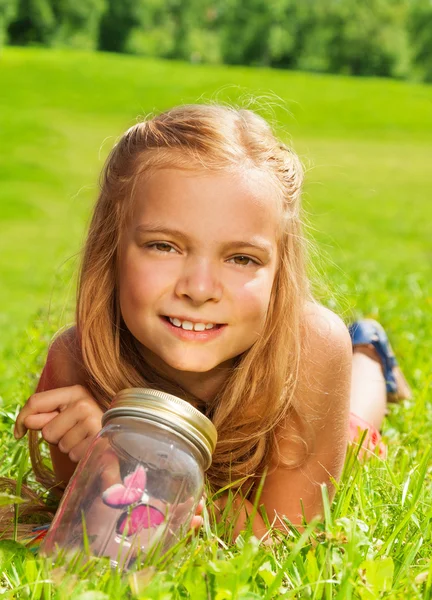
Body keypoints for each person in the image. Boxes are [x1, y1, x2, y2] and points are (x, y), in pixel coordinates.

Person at [13, 104, 410, 539]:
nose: (199, 289)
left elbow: (282, 537)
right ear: (112, 248)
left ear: (279, 271)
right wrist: (100, 461)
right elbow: (106, 527)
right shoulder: (76, 363)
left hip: (315, 377)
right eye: (164, 246)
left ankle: (369, 350)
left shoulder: (311, 347)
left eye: (241, 258)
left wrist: (139, 469)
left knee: (356, 429)